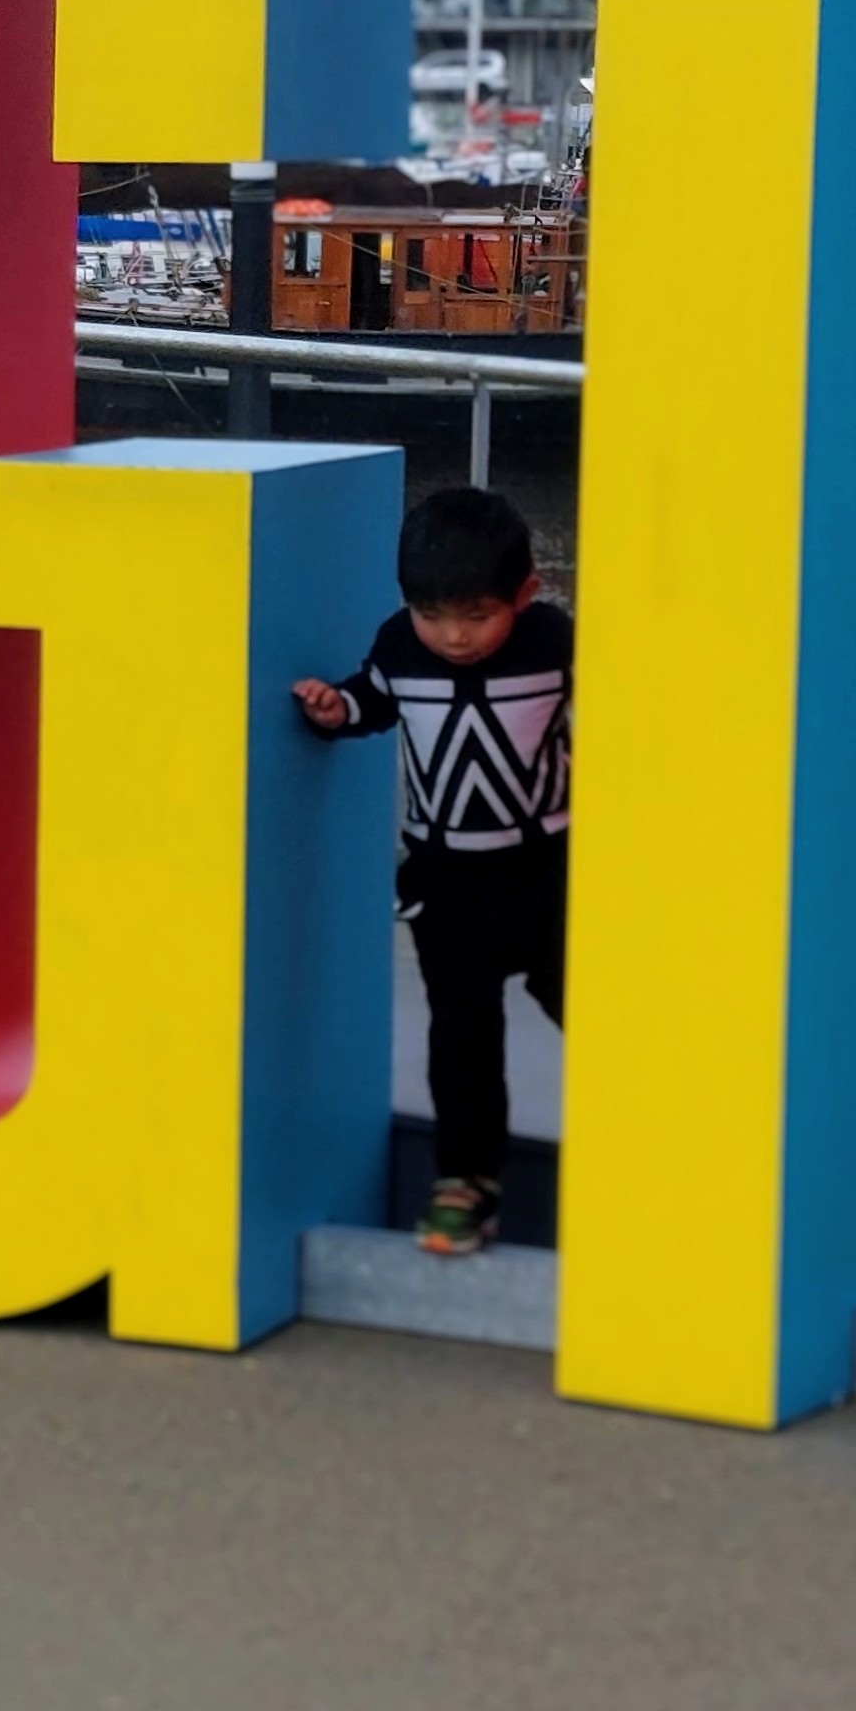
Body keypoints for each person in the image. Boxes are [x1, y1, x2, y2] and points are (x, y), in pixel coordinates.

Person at [285, 480, 568, 1257]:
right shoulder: (397, 644)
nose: (453, 636)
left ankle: (657, 1147)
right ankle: (466, 1185)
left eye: (476, 615)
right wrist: (333, 710)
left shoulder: (554, 643)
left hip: (548, 873)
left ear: (525, 593)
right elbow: (371, 701)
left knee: (595, 1006)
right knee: (462, 1037)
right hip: (448, 882)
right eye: (432, 614)